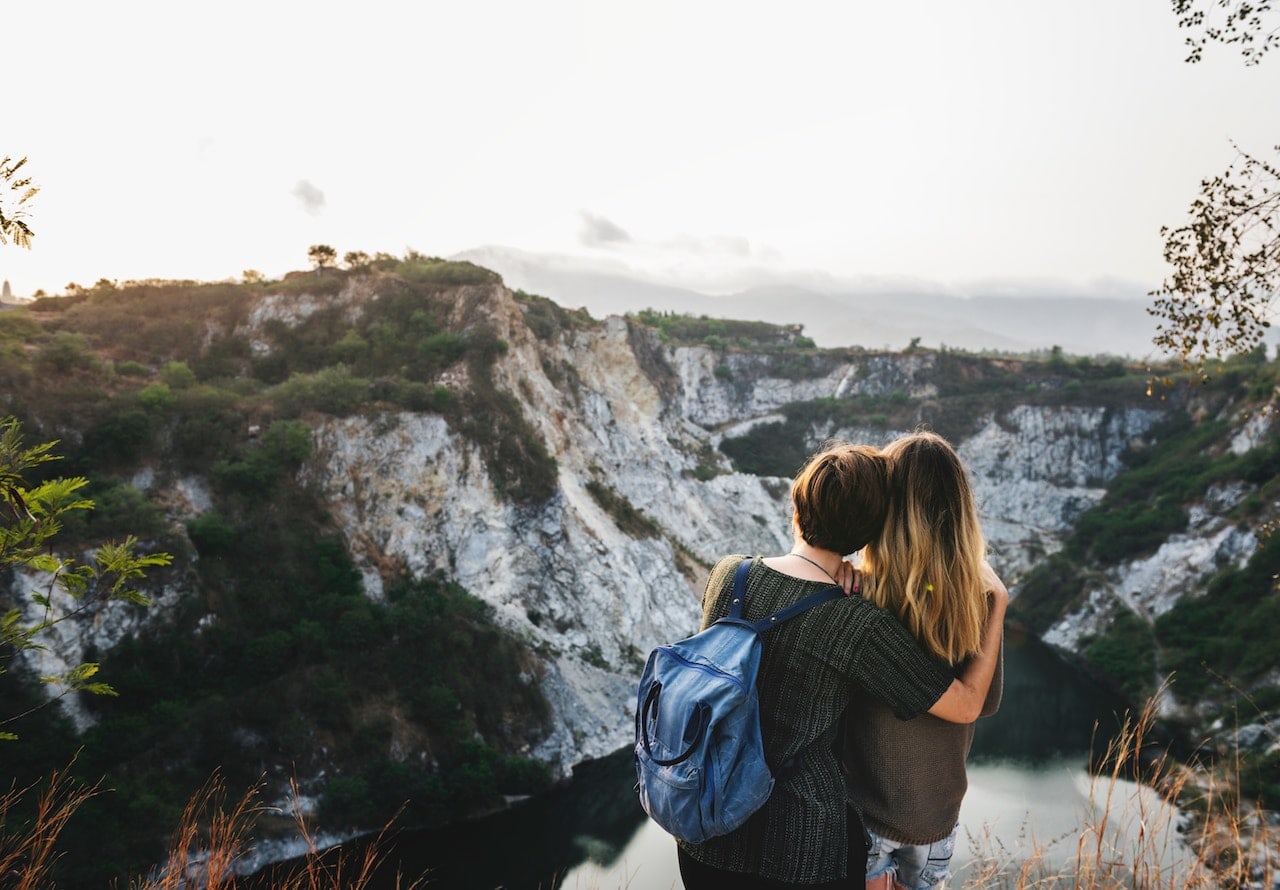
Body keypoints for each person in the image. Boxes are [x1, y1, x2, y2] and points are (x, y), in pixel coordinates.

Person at [676, 441, 1007, 889]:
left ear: (795, 508)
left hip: (704, 822)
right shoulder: (856, 621)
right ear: (865, 533)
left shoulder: (728, 574)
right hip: (799, 847)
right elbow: (970, 704)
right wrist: (995, 600)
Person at [840, 431, 1006, 890]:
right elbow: (984, 701)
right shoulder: (976, 598)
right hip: (936, 817)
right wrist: (1000, 604)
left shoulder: (858, 591)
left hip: (866, 812)